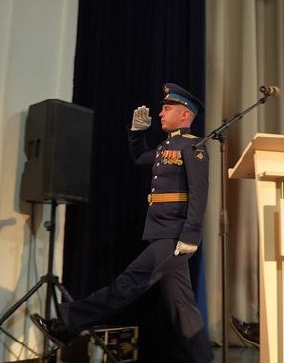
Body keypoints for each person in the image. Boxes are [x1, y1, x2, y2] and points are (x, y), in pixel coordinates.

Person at [31, 83, 212, 362]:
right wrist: (137, 134)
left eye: (167, 108)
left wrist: (191, 234)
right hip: (162, 233)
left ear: (185, 115)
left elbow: (199, 194)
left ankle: (68, 324)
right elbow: (140, 158)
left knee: (128, 283)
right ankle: (203, 358)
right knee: (183, 306)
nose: (160, 113)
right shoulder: (166, 146)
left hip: (174, 236)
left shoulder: (194, 147)